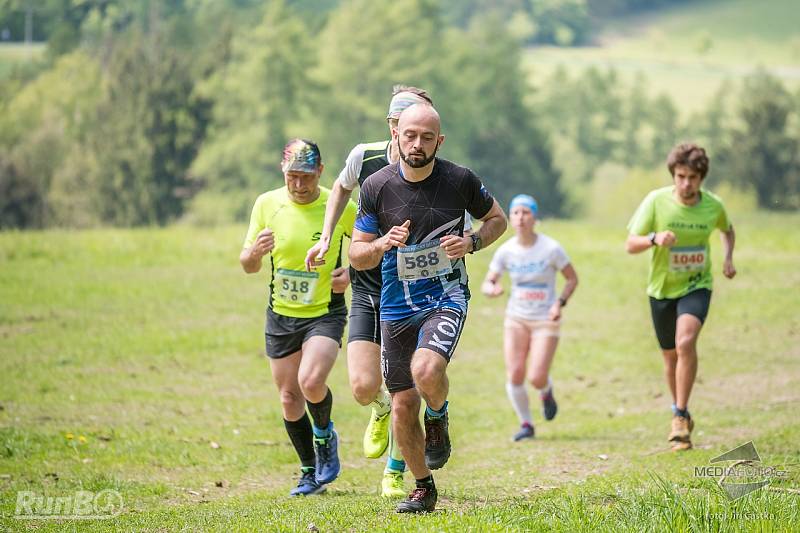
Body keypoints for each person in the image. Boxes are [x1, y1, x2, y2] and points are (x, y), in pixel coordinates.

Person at [349, 104, 507, 513]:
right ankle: (422, 486)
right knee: (402, 404)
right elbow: (357, 254)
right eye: (409, 135)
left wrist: (472, 241)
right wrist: (384, 244)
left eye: (426, 137)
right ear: (396, 136)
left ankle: (438, 414)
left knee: (427, 370)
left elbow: (497, 219)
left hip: (445, 296)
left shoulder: (459, 180)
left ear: (439, 140)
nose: (416, 144)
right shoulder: (376, 186)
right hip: (396, 304)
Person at [304, 86, 433, 498]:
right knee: (363, 386)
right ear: (391, 126)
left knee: (406, 390)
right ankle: (377, 409)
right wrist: (327, 238)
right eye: (401, 125)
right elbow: (341, 188)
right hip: (368, 286)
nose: (409, 136)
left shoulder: (430, 169)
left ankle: (396, 472)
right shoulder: (366, 157)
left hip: (412, 294)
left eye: (418, 127)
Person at [240, 139, 357, 495]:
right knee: (290, 397)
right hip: (281, 314)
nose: (299, 185)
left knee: (310, 382)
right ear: (283, 172)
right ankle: (309, 472)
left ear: (320, 172)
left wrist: (351, 273)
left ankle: (325, 437)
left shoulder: (337, 205)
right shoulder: (267, 203)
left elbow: (371, 251)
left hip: (324, 313)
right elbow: (247, 263)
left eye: (306, 177)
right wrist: (255, 254)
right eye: (292, 176)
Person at [625, 142, 736, 451]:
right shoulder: (656, 202)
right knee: (670, 356)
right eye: (681, 176)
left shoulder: (713, 205)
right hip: (661, 289)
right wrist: (654, 238)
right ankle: (680, 412)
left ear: (702, 178)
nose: (687, 184)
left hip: (697, 285)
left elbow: (727, 229)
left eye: (693, 178)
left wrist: (727, 258)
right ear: (674, 175)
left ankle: (679, 413)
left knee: (686, 341)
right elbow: (630, 244)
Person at [481, 194, 578, 441]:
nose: (521, 218)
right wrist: (492, 288)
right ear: (511, 218)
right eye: (516, 213)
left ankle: (545, 391)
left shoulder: (551, 248)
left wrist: (560, 303)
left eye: (526, 212)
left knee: (536, 377)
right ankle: (526, 424)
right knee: (514, 373)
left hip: (546, 318)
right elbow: (489, 281)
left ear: (535, 217)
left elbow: (571, 279)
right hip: (517, 318)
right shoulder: (506, 251)